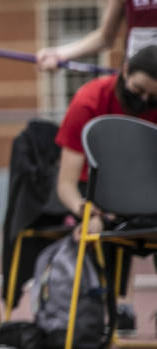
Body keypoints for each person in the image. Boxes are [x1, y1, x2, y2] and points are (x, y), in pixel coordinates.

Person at [53, 44, 157, 238]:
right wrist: (85, 212)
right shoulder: (88, 102)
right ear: (125, 70)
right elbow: (66, 184)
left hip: (145, 199)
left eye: (153, 97)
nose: (143, 100)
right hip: (94, 195)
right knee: (97, 245)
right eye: (138, 89)